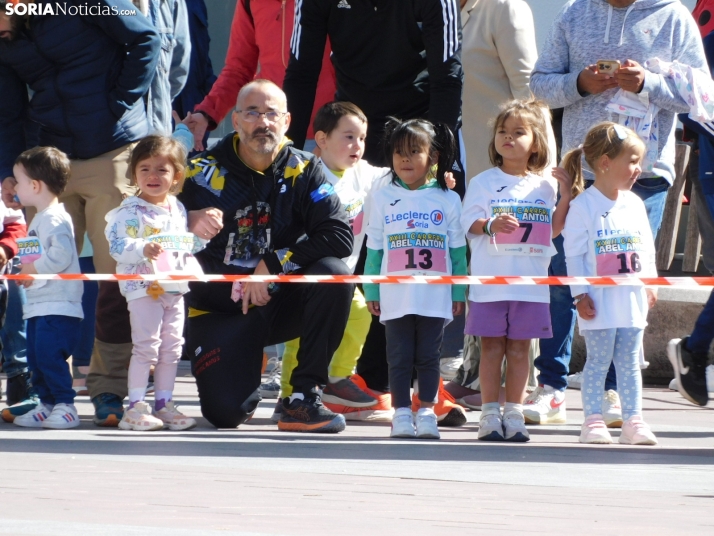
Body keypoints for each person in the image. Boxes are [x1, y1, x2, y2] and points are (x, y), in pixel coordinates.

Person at [527, 0, 707, 426]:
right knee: (564, 276)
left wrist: (647, 83)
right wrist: (581, 84)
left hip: (641, 174)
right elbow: (538, 84)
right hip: (580, 172)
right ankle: (552, 387)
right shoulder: (574, 13)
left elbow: (701, 93)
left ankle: (611, 391)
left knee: (622, 276)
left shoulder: (673, 17)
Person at [0, 0, 161, 427]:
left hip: (110, 148)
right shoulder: (7, 21)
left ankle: (109, 388)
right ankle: (45, 394)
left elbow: (144, 37)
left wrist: (119, 102)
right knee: (36, 275)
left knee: (116, 276)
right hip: (47, 165)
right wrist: (9, 172)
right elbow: (6, 106)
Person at [177, 79, 355, 433]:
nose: (264, 122)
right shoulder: (198, 172)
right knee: (225, 415)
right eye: (253, 112)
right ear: (236, 120)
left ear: (287, 121)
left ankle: (304, 397)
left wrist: (272, 264)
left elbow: (339, 235)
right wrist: (184, 218)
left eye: (272, 113)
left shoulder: (305, 169)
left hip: (277, 302)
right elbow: (141, 215)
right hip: (218, 311)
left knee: (334, 274)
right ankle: (242, 361)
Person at [460, 99, 573, 442]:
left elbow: (552, 230)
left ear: (536, 142)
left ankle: (514, 411)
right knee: (492, 346)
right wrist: (491, 224)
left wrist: (566, 196)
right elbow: (468, 223)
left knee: (522, 349)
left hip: (530, 284)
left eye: (518, 132)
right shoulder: (482, 182)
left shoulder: (545, 185)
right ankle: (490, 414)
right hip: (491, 282)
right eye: (502, 132)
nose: (508, 138)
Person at [276, 102, 392, 422]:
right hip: (305, 270)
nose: (358, 146)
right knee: (301, 332)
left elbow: (401, 175)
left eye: (363, 138)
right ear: (322, 140)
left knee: (361, 311)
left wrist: (436, 176)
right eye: (349, 137)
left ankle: (337, 378)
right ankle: (288, 393)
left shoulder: (365, 174)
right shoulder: (306, 174)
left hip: (343, 276)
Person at [363, 118, 467, 440]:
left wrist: (459, 291)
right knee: (399, 355)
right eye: (398, 153)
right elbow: (375, 250)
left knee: (428, 356)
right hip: (396, 296)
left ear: (432, 158)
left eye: (413, 152)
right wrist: (371, 288)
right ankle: (401, 414)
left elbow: (458, 250)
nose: (405, 160)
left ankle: (427, 411)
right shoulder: (381, 198)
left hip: (434, 296)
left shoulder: (448, 198)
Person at [562, 122, 658, 445]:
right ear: (605, 162)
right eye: (631, 161)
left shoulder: (635, 204)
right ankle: (592, 420)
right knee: (599, 360)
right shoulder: (582, 207)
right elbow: (573, 255)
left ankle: (633, 419)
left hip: (631, 299)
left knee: (630, 361)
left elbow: (646, 247)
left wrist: (651, 282)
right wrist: (579, 295)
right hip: (599, 302)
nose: (637, 170)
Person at [105, 134, 199, 431]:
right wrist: (141, 249)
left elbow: (184, 246)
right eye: (144, 168)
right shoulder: (128, 211)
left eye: (162, 169)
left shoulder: (177, 208)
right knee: (146, 346)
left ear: (176, 176)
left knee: (172, 347)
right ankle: (135, 407)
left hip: (175, 288)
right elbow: (116, 247)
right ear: (134, 173)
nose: (153, 175)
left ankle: (164, 403)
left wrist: (201, 241)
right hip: (143, 288)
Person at [182, 0, 335, 151]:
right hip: (268, 133)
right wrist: (206, 113)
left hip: (330, 135)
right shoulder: (249, 2)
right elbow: (238, 69)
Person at [10, 147, 83, 429]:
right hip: (40, 303)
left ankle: (65, 405)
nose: (14, 186)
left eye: (18, 180)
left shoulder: (54, 218)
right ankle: (47, 403)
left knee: (50, 356)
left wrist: (33, 270)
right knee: (37, 357)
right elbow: (35, 258)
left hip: (59, 304)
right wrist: (26, 271)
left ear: (35, 185)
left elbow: (61, 255)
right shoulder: (39, 217)